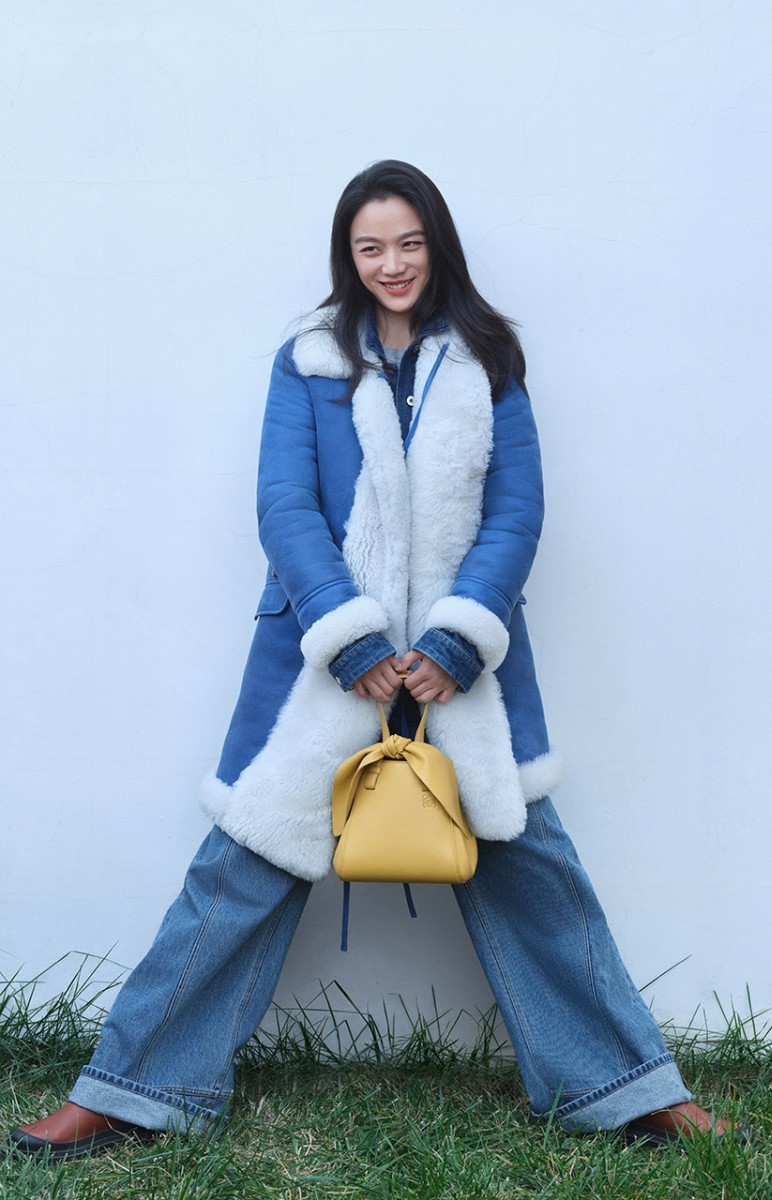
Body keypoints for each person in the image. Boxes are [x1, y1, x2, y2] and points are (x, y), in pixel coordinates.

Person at [10, 160, 731, 1160]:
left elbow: (516, 511)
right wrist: (350, 640)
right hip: (322, 669)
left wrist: (453, 644)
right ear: (347, 257)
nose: (391, 263)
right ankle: (129, 1090)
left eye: (408, 243)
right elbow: (284, 505)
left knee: (535, 875)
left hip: (459, 674)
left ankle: (626, 1089)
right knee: (235, 879)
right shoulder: (306, 359)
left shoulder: (488, 358)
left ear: (436, 246)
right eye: (370, 247)